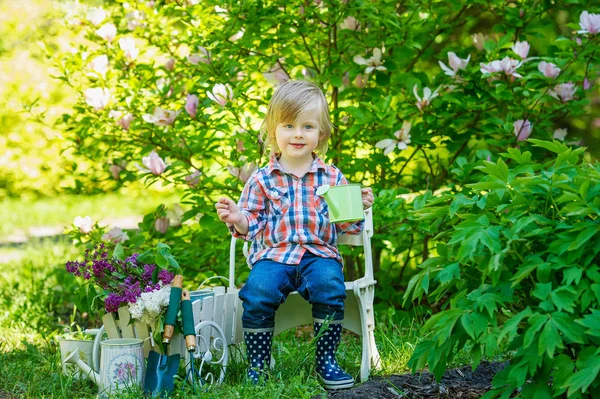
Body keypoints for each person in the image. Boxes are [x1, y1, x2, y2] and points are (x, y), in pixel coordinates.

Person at [215, 80, 374, 390]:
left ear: (321, 134)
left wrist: (359, 207)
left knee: (330, 285)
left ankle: (326, 361)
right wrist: (237, 217)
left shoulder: (332, 176)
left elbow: (346, 224)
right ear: (274, 130)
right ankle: (258, 366)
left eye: (307, 126)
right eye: (289, 125)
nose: (298, 133)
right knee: (258, 291)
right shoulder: (262, 179)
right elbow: (251, 222)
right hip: (274, 256)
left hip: (319, 254)